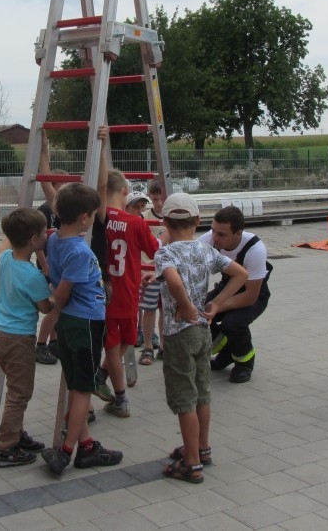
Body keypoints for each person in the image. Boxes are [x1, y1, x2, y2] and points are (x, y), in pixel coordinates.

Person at [154, 193, 247, 483]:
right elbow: (241, 274)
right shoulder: (205, 251)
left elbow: (174, 280)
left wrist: (183, 305)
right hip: (203, 332)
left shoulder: (165, 253)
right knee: (202, 393)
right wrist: (216, 304)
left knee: (185, 399)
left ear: (165, 223)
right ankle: (202, 447)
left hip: (178, 335)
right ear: (197, 221)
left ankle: (191, 463)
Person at [41, 182, 124, 476]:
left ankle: (87, 447)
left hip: (72, 324)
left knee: (78, 385)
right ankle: (65, 452)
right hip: (85, 323)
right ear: (85, 218)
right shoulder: (78, 250)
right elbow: (61, 295)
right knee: (82, 391)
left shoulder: (54, 240)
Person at [96, 128, 159, 418]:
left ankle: (102, 378)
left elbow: (101, 186)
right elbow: (157, 250)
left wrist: (102, 147)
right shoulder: (136, 224)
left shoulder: (98, 219)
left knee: (119, 341)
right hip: (126, 291)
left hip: (106, 291)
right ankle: (119, 396)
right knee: (117, 341)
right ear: (125, 192)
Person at [0, 207, 55, 467]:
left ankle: (15, 433)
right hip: (19, 339)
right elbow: (45, 308)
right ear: (33, 240)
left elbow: (6, 243)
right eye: (43, 232)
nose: (47, 234)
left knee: (15, 388)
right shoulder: (32, 275)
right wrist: (58, 299)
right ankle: (6, 447)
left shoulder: (5, 258)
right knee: (20, 392)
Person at [199, 205, 274, 384]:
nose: (215, 238)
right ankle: (227, 353)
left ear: (238, 233)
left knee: (232, 324)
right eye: (213, 231)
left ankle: (245, 362)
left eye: (222, 234)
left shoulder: (255, 249)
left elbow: (250, 296)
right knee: (197, 312)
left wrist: (216, 305)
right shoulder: (209, 240)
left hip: (253, 294)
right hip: (226, 287)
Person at [35, 130, 65, 367]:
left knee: (60, 308)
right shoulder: (49, 209)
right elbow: (40, 242)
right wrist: (43, 149)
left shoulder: (71, 212)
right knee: (54, 308)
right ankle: (41, 344)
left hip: (64, 267)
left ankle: (54, 341)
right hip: (51, 266)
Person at [138, 180, 167, 364]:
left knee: (165, 310)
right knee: (149, 309)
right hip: (148, 271)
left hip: (165, 271)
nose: (159, 203)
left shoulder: (172, 217)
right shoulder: (144, 217)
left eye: (162, 199)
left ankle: (164, 346)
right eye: (155, 199)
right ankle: (148, 346)